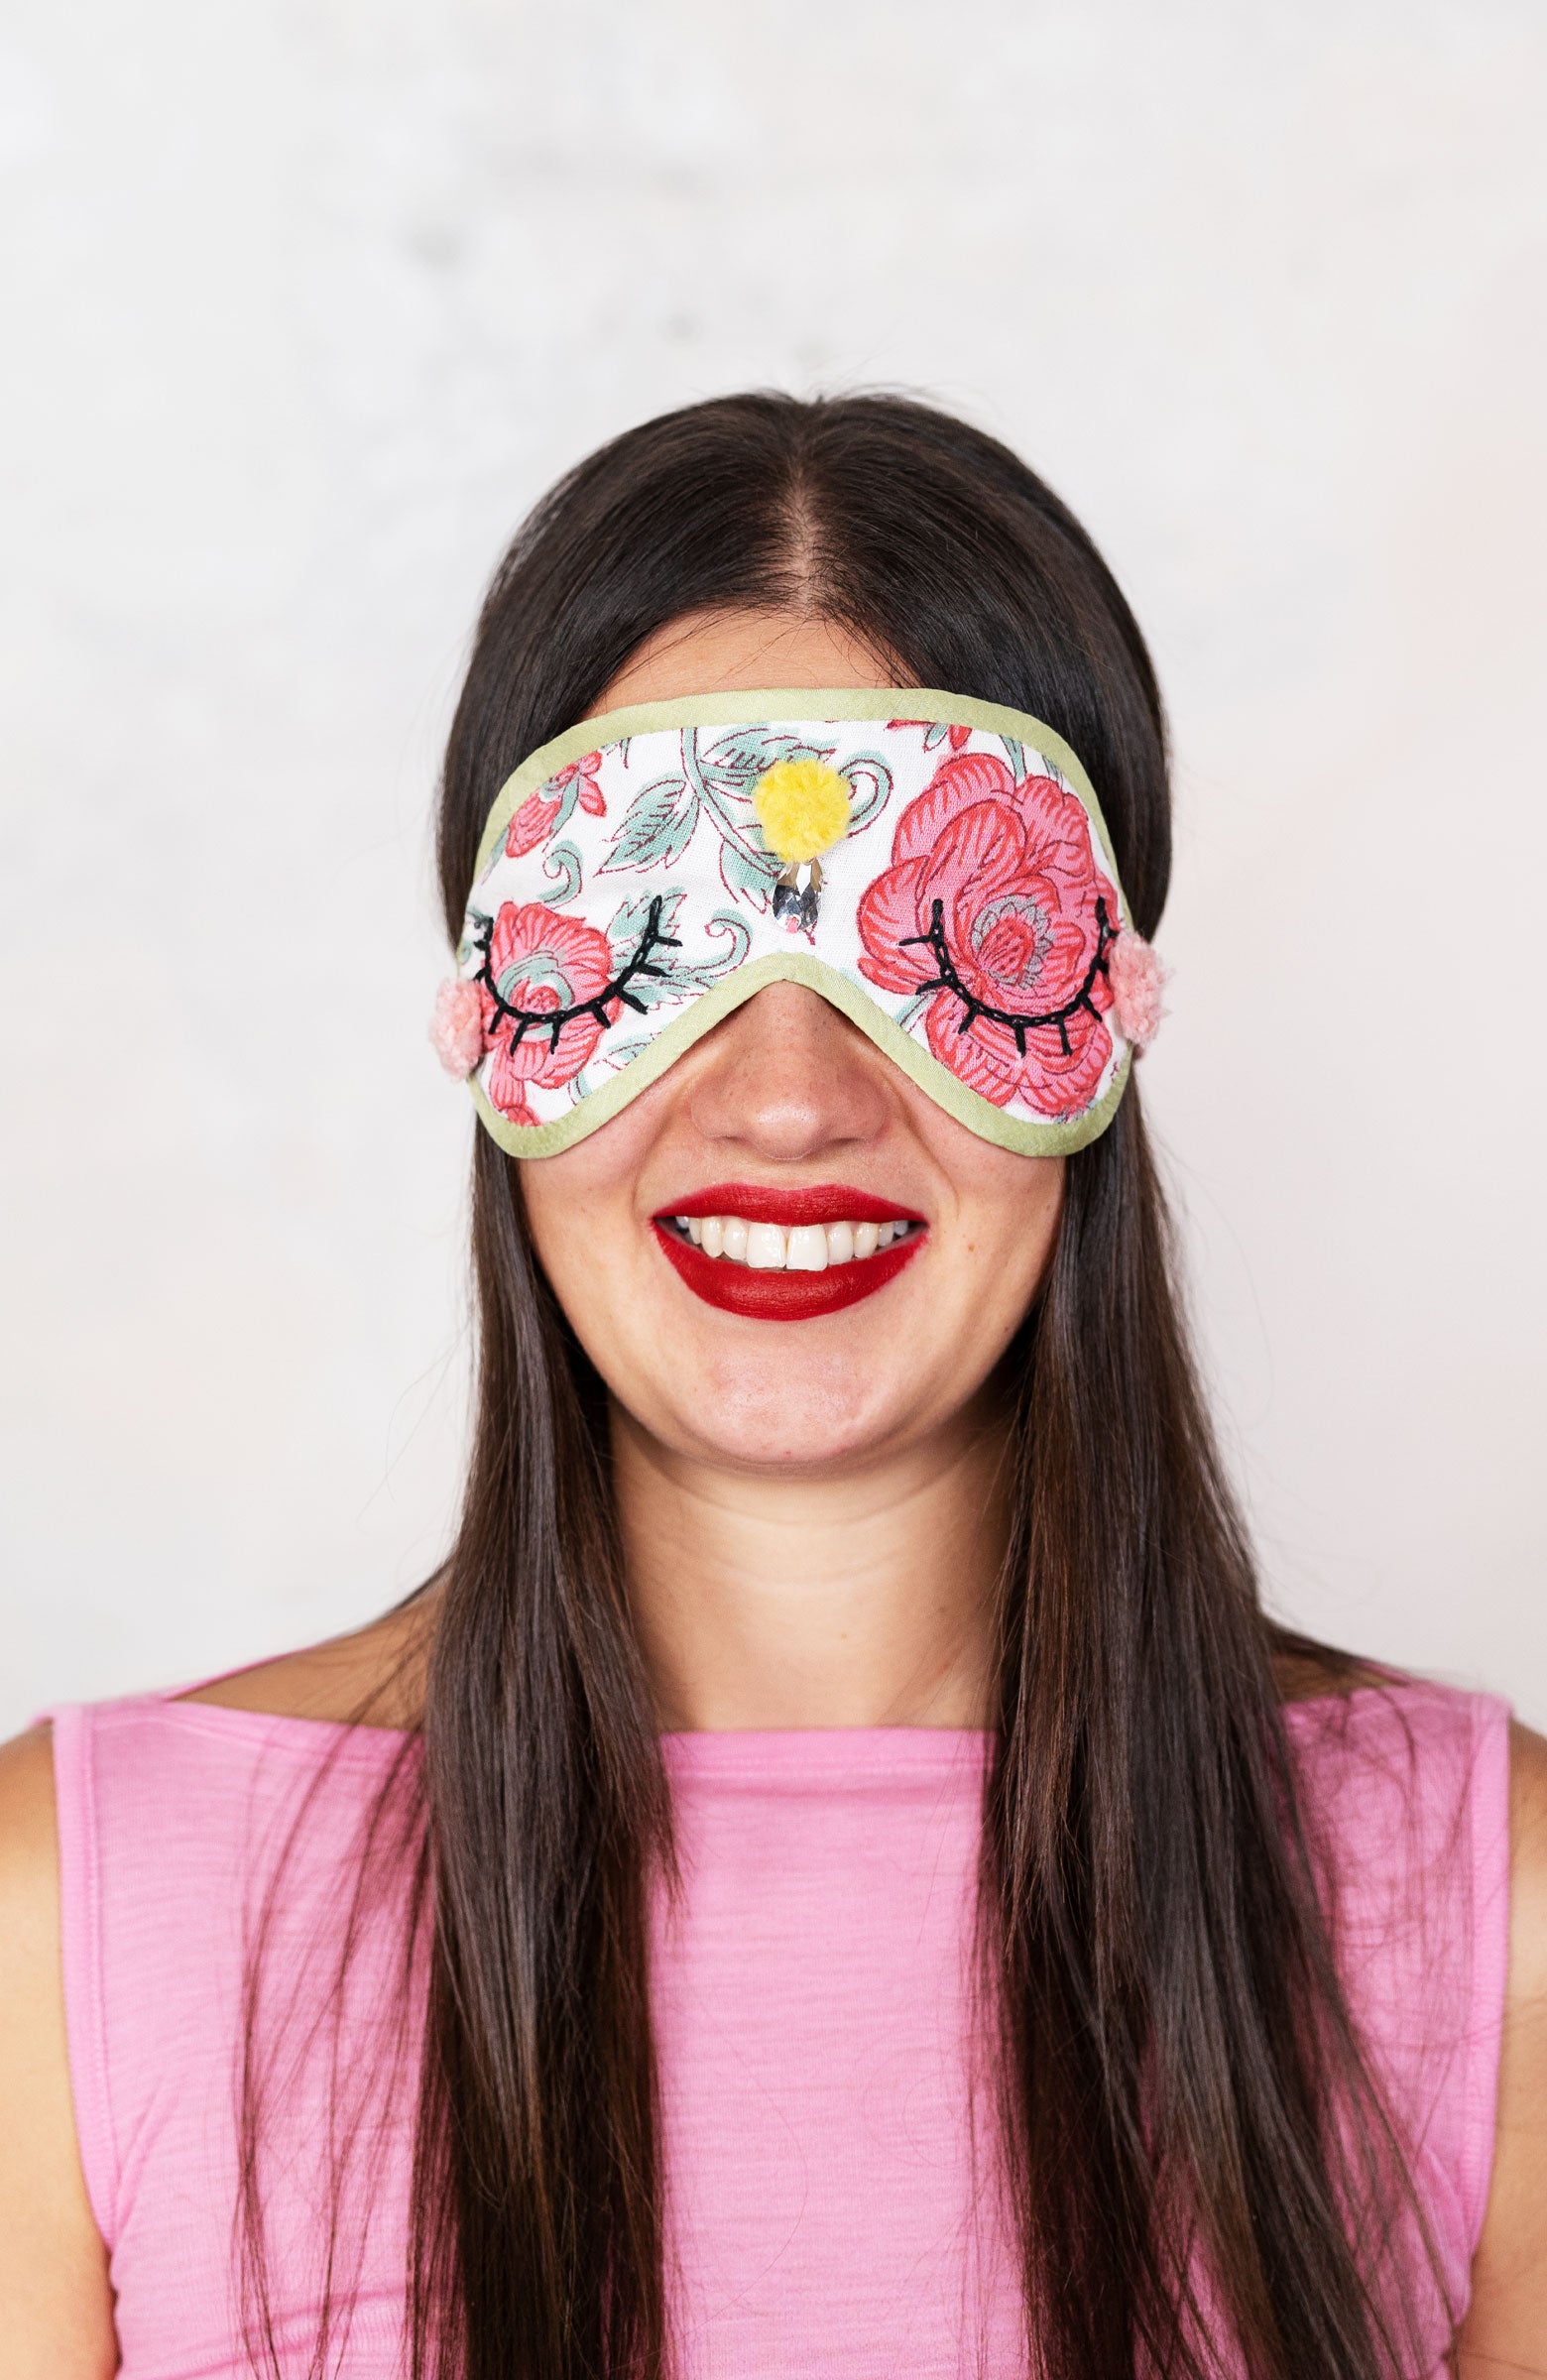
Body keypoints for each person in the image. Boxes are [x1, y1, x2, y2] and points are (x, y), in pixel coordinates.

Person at [1, 393, 1543, 2380]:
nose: (793, 1097)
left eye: (927, 948)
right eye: (654, 943)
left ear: (1105, 1001)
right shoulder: (69, 1924)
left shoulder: (1490, 1912)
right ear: (490, 1007)